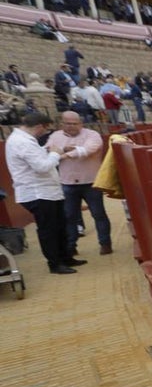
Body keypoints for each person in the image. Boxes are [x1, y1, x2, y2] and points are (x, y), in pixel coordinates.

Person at [4, 112, 85, 274]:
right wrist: (55, 153)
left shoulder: (22, 140)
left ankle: (64, 257)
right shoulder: (22, 142)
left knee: (59, 225)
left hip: (45, 191)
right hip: (38, 193)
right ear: (39, 126)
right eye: (45, 129)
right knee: (49, 229)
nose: (45, 133)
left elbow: (36, 159)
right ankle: (55, 263)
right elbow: (42, 167)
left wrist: (50, 150)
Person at [45, 111, 113, 256]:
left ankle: (105, 243)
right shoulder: (55, 136)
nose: (71, 126)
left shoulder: (91, 134)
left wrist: (63, 154)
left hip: (91, 182)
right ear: (62, 124)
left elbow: (88, 149)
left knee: (98, 214)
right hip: (67, 182)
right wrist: (68, 150)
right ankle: (71, 246)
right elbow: (49, 150)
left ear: (81, 124)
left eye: (74, 123)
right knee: (69, 217)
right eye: (68, 123)